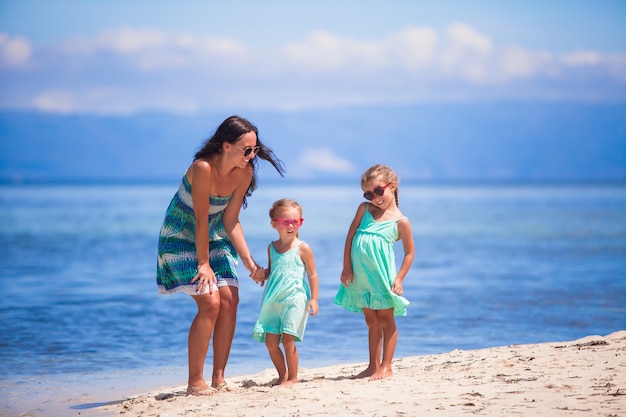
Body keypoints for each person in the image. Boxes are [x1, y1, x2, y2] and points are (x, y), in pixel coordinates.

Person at [156, 115, 284, 396]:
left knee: (230, 298)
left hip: (213, 236)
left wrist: (251, 265)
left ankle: (219, 377)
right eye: (246, 150)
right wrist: (203, 264)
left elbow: (231, 221)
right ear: (226, 146)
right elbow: (200, 219)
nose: (251, 156)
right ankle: (194, 382)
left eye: (255, 151)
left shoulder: (244, 173)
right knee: (211, 302)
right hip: (179, 238)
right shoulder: (202, 168)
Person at [333, 164, 414, 381]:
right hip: (360, 277)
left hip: (381, 277)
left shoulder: (401, 222)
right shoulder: (364, 209)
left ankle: (386, 366)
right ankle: (372, 365)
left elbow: (409, 253)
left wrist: (399, 278)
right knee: (371, 321)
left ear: (392, 186)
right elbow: (350, 237)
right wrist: (346, 268)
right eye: (369, 193)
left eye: (378, 191)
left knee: (386, 320)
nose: (374, 198)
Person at [252, 198, 319, 386]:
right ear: (274, 224)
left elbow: (313, 274)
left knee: (288, 339)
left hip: (295, 298)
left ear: (300, 223)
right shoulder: (272, 247)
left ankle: (293, 377)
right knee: (271, 343)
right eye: (285, 222)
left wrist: (314, 298)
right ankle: (282, 375)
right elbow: (273, 270)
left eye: (295, 221)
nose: (291, 226)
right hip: (273, 299)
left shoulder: (303, 247)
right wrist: (262, 274)